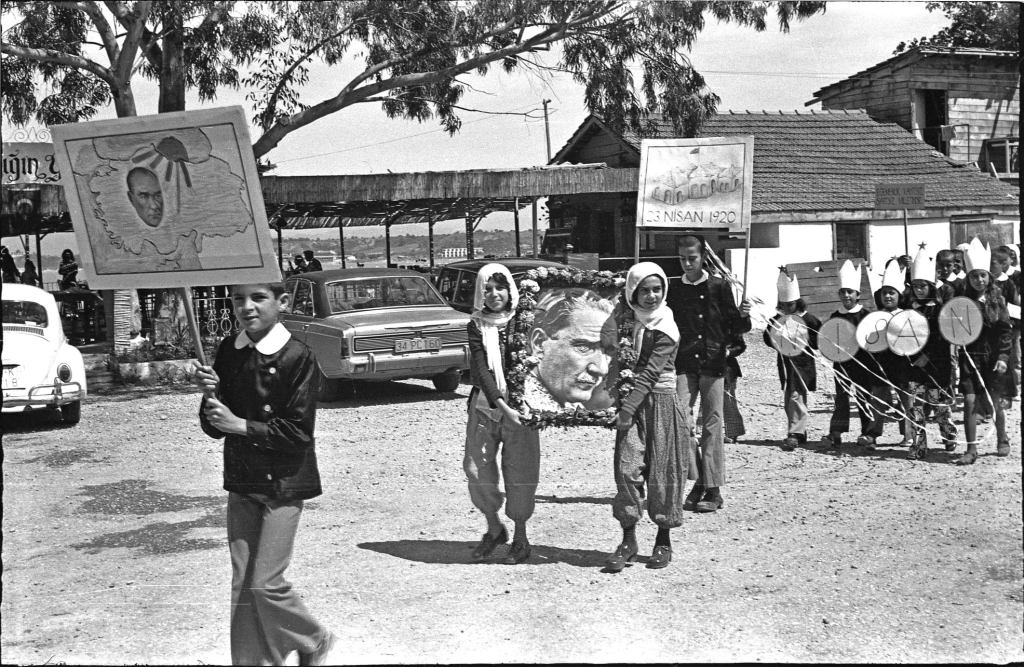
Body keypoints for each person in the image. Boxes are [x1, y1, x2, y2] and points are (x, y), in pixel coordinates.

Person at [193, 282, 337, 665]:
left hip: (284, 484)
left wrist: (239, 424)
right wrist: (210, 396)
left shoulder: (298, 355)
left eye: (258, 297)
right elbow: (212, 426)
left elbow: (298, 432)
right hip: (242, 480)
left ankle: (313, 639)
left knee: (266, 584)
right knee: (243, 586)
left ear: (282, 302)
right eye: (238, 299)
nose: (247, 307)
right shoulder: (229, 350)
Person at [606, 262, 689, 572]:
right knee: (627, 468)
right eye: (644, 290)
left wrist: (627, 409)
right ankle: (628, 539)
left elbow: (652, 372)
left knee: (664, 470)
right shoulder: (625, 322)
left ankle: (663, 539)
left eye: (657, 289)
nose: (651, 296)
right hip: (632, 403)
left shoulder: (667, 326)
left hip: (661, 403)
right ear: (633, 292)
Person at [667, 235, 751, 514]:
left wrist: (744, 316)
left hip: (714, 361)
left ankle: (713, 489)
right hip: (685, 363)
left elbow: (733, 324)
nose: (687, 263)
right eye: (682, 258)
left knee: (713, 424)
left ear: (703, 257)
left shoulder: (719, 286)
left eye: (692, 258)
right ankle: (700, 478)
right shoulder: (675, 289)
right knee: (680, 420)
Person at [463, 263, 539, 565]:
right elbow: (481, 369)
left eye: (500, 287)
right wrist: (502, 406)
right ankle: (494, 528)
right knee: (476, 469)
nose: (494, 294)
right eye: (488, 289)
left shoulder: (526, 321)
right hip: (486, 407)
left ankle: (521, 537)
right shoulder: (477, 325)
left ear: (511, 290)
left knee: (521, 473)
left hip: (523, 411)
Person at [956, 238, 1014, 464]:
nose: (979, 280)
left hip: (993, 357)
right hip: (970, 357)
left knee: (995, 401)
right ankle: (971, 449)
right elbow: (952, 327)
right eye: (974, 276)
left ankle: (1002, 438)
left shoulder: (997, 300)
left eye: (982, 275)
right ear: (968, 278)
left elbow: (1005, 331)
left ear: (988, 276)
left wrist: (1003, 356)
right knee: (970, 401)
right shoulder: (961, 301)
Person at [900, 248, 957, 460]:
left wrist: (930, 355)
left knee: (939, 404)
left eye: (923, 286)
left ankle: (948, 435)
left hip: (938, 364)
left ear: (931, 286)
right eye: (915, 286)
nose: (919, 290)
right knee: (916, 407)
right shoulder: (908, 308)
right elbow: (903, 334)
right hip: (914, 364)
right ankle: (918, 445)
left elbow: (943, 336)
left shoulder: (940, 308)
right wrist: (912, 355)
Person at [820, 260, 882, 450]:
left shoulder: (865, 315)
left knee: (864, 397)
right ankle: (836, 433)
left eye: (850, 292)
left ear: (858, 294)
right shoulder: (834, 316)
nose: (846, 295)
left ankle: (868, 433)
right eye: (843, 292)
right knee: (841, 397)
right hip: (842, 363)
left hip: (863, 364)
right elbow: (830, 338)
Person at [524, 288, 617, 411]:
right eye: (584, 347)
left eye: (608, 351)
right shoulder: (516, 405)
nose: (602, 369)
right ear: (539, 343)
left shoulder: (573, 406)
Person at [763, 269, 820, 451]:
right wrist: (777, 338)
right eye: (784, 305)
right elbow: (767, 337)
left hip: (803, 364)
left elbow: (817, 341)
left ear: (798, 303)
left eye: (791, 305)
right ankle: (798, 430)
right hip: (786, 365)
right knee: (790, 397)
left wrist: (800, 340)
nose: (788, 309)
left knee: (797, 396)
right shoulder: (777, 320)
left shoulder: (809, 320)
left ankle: (794, 432)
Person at [993, 245, 1021, 388]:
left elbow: (1015, 303)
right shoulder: (988, 281)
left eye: (993, 264)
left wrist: (1012, 321)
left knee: (1013, 355)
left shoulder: (1008, 283)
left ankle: (1014, 386)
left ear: (1003, 264)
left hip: (1010, 325)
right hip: (993, 326)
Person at [722, 334, 746, 444]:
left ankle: (733, 432)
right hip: (705, 368)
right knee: (706, 402)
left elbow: (740, 345)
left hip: (728, 370)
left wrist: (729, 352)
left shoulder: (732, 323)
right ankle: (703, 433)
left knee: (728, 401)